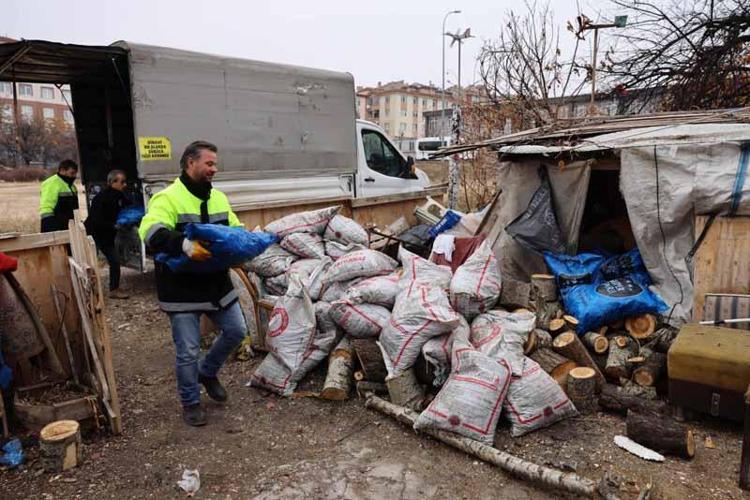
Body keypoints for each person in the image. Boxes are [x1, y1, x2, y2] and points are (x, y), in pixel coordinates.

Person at [138, 141, 247, 427]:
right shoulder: (167, 198)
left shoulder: (219, 198)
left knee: (237, 331)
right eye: (209, 163)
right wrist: (183, 243)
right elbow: (150, 231)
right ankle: (190, 401)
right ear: (190, 163)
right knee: (187, 350)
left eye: (215, 163)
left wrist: (244, 243)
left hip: (216, 284)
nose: (215, 169)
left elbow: (234, 228)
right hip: (181, 287)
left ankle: (207, 372)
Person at [84, 170, 131, 299]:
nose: (124, 185)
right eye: (122, 182)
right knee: (110, 261)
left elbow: (129, 205)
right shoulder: (101, 198)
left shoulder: (119, 196)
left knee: (113, 260)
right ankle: (110, 290)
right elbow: (96, 219)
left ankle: (113, 288)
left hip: (107, 233)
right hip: (96, 233)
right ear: (112, 182)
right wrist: (113, 226)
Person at [39, 159, 79, 233]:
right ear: (63, 170)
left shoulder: (72, 186)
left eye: (75, 173)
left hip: (69, 227)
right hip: (54, 226)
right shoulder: (51, 183)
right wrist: (51, 228)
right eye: (72, 173)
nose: (74, 176)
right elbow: (46, 207)